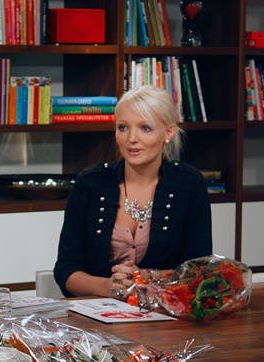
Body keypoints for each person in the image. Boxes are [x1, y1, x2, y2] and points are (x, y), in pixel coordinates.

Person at [54, 85, 212, 298]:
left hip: (165, 312)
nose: (131, 139)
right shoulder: (90, 183)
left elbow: (199, 271)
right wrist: (107, 287)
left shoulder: (189, 184)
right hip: (96, 311)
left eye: (145, 128)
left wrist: (148, 277)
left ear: (168, 132)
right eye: (123, 128)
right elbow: (65, 270)